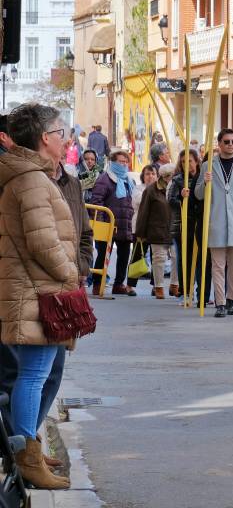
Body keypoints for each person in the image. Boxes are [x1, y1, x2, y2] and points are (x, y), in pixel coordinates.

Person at [0, 104, 79, 489]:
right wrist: (71, 276)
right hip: (39, 291)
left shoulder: (33, 176)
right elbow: (43, 243)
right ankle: (28, 459)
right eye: (61, 132)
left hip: (35, 289)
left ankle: (29, 447)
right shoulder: (31, 180)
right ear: (44, 138)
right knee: (33, 376)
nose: (67, 139)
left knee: (35, 374)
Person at [196, 129, 233, 318]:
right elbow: (198, 195)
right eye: (227, 141)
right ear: (219, 144)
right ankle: (220, 302)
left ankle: (231, 300)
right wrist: (205, 184)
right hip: (216, 221)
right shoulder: (207, 165)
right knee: (217, 266)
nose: (231, 145)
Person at [89, 149, 139, 295]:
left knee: (124, 256)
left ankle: (118, 284)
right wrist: (100, 223)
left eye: (125, 162)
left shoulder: (129, 180)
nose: (123, 164)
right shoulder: (105, 179)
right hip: (108, 224)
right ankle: (97, 284)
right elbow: (96, 202)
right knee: (104, 254)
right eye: (120, 161)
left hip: (124, 225)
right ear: (113, 162)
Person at [167, 149, 207, 303]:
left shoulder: (202, 178)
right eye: (183, 161)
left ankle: (202, 291)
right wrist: (182, 198)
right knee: (184, 258)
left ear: (196, 161)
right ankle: (186, 290)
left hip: (199, 222)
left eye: (189, 161)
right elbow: (171, 200)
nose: (187, 164)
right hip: (183, 224)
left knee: (200, 260)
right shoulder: (178, 180)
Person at [135, 164, 173, 299]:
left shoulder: (177, 188)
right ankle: (159, 287)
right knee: (159, 258)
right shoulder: (151, 190)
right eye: (168, 176)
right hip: (157, 229)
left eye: (172, 176)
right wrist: (141, 233)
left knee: (176, 257)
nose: (170, 179)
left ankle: (175, 284)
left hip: (174, 229)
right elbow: (143, 212)